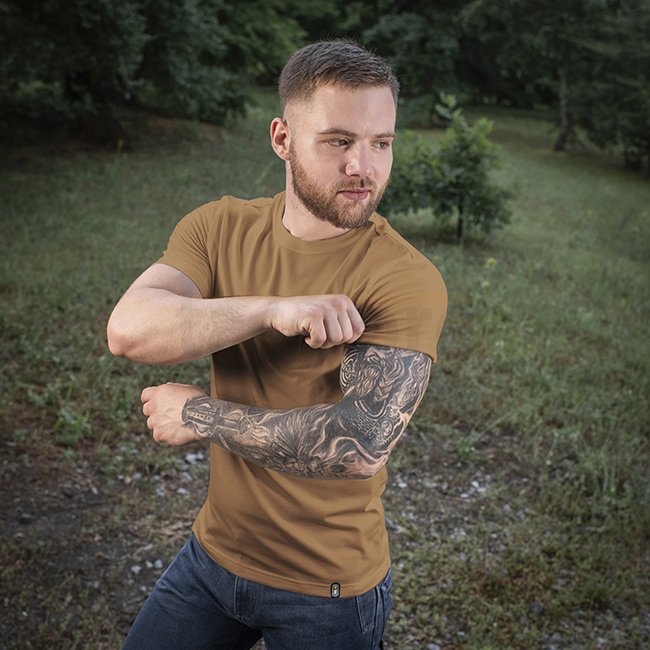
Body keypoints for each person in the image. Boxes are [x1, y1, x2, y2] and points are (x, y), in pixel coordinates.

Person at [107, 39, 447, 650]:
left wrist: (198, 414)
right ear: (282, 139)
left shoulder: (404, 277)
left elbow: (358, 447)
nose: (363, 167)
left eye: (381, 143)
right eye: (338, 141)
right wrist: (271, 308)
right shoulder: (219, 227)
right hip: (212, 557)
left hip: (329, 590)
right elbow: (129, 329)